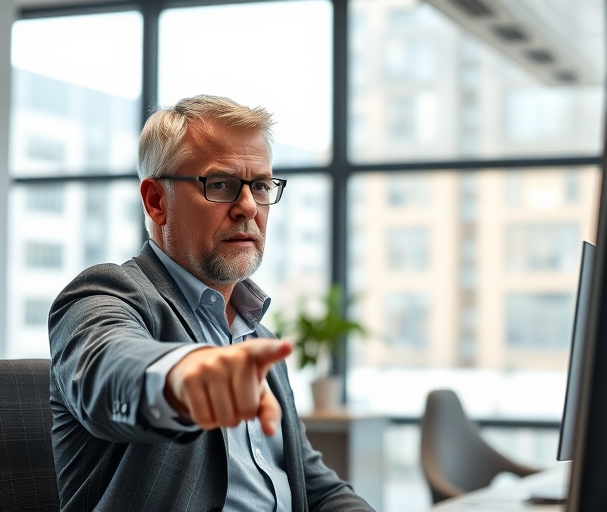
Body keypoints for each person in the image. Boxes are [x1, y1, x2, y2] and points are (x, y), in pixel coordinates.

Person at [48, 95, 374, 511]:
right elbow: (106, 369)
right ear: (156, 202)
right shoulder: (107, 293)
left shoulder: (257, 337)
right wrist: (184, 381)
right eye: (220, 185)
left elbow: (316, 488)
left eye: (260, 185)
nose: (248, 207)